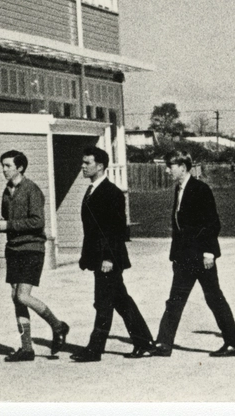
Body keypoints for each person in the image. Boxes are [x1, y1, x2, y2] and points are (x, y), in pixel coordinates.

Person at [150, 153, 235, 357]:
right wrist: (175, 256)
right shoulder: (179, 189)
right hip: (184, 258)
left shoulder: (201, 189)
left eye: (170, 166)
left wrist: (209, 253)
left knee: (214, 298)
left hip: (201, 257)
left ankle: (233, 343)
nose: (167, 170)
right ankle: (164, 343)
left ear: (183, 167)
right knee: (175, 300)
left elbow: (212, 223)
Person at [70, 145, 154, 362]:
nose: (83, 166)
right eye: (83, 162)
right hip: (97, 257)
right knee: (120, 301)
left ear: (100, 166)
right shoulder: (91, 191)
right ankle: (144, 342)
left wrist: (108, 257)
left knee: (103, 303)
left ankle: (95, 349)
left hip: (109, 258)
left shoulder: (112, 193)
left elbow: (115, 229)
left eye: (87, 163)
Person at [0, 149, 68, 361]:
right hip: (14, 248)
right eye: (3, 166)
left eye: (8, 166)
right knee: (16, 298)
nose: (4, 170)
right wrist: (3, 225)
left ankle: (58, 325)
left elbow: (37, 222)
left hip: (32, 248)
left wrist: (10, 224)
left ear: (20, 167)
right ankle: (26, 348)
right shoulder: (7, 190)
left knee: (23, 295)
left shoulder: (31, 189)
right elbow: (9, 219)